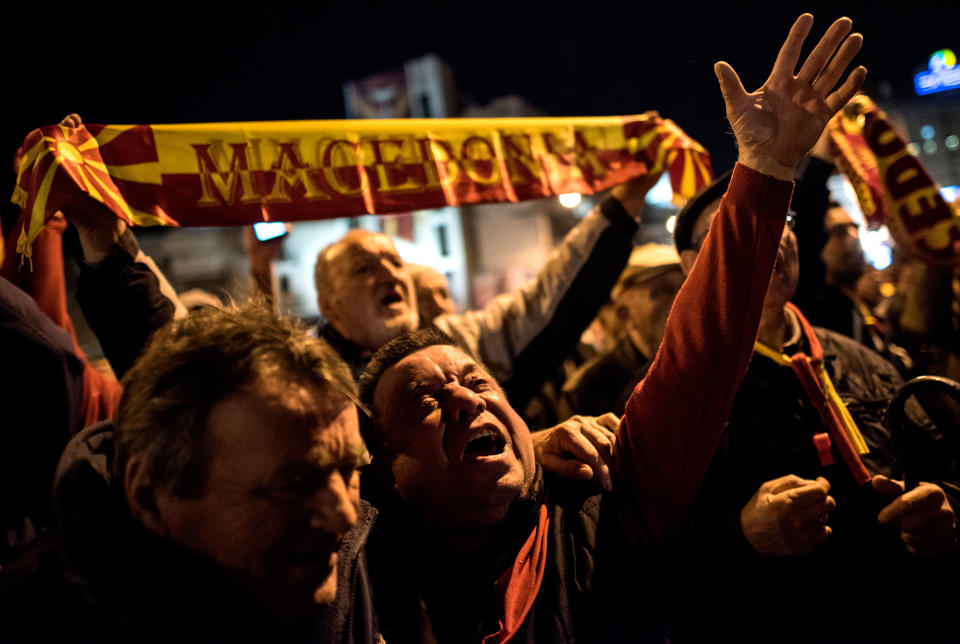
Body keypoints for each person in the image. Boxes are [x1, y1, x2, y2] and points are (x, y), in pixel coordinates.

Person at [352, 14, 866, 641]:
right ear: (384, 471)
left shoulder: (609, 504)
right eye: (425, 400)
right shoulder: (361, 588)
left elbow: (697, 357)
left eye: (477, 381)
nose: (464, 398)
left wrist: (768, 168)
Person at [665, 149, 959, 641]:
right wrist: (741, 537)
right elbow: (644, 557)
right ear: (693, 266)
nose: (771, 237)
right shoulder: (675, 392)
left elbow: (941, 470)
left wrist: (947, 510)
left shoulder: (863, 359)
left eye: (781, 217)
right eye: (738, 225)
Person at [3, 301, 377, 643]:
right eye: (293, 483)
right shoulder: (34, 619)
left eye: (349, 470)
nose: (343, 514)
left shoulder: (327, 561)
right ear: (149, 496)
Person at [312, 173, 659, 417]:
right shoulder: (314, 383)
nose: (388, 273)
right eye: (363, 268)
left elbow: (548, 299)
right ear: (328, 304)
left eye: (395, 262)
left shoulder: (464, 342)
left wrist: (623, 202)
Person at [560, 243, 682, 417]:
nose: (679, 300)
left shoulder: (705, 365)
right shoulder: (587, 390)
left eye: (685, 287)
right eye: (661, 292)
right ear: (625, 314)